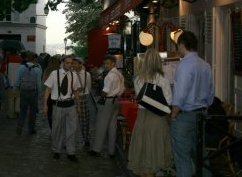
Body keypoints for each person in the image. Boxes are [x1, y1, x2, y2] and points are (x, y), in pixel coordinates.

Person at [170, 31, 214, 177]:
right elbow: (210, 94)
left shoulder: (184, 65)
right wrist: (205, 106)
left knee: (182, 158)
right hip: (201, 114)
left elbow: (180, 93)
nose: (178, 49)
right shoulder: (205, 65)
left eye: (178, 46)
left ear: (182, 45)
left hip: (185, 116)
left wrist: (174, 114)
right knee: (201, 156)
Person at [127, 48, 172, 177]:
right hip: (157, 119)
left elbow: (139, 100)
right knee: (153, 157)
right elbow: (169, 100)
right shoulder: (162, 79)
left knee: (142, 157)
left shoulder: (138, 79)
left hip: (142, 118)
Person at [43, 55, 81, 163]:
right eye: (67, 63)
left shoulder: (74, 75)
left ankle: (71, 152)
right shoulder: (54, 74)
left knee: (72, 130)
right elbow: (47, 89)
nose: (70, 65)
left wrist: (78, 105)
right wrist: (45, 104)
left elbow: (76, 91)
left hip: (71, 105)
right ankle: (56, 151)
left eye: (71, 63)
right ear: (63, 63)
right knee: (57, 129)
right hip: (58, 105)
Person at [89, 55, 124, 158]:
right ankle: (111, 151)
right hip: (117, 100)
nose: (106, 65)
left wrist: (101, 98)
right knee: (112, 126)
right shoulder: (119, 74)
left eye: (108, 63)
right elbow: (123, 89)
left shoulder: (110, 75)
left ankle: (96, 150)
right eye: (105, 63)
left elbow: (105, 91)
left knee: (101, 125)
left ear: (113, 63)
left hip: (108, 101)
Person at [13, 52, 42, 135]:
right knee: (33, 111)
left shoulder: (21, 67)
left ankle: (20, 125)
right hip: (33, 92)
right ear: (34, 59)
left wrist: (15, 88)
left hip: (24, 91)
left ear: (26, 58)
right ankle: (31, 128)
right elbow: (38, 83)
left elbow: (17, 79)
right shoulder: (37, 69)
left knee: (23, 110)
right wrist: (39, 93)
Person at [72, 56, 92, 147]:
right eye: (73, 63)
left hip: (83, 98)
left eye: (75, 63)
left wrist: (83, 93)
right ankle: (70, 140)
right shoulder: (71, 74)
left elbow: (88, 87)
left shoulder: (87, 75)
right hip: (72, 99)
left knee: (85, 120)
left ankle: (86, 139)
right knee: (71, 121)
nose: (73, 65)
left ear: (81, 64)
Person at [0, 50, 22, 119]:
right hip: (18, 83)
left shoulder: (6, 60)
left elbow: (2, 71)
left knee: (10, 99)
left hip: (10, 83)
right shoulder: (20, 60)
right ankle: (17, 109)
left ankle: (10, 114)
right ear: (17, 52)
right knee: (18, 97)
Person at [42, 55, 61, 129]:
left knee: (50, 113)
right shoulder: (59, 71)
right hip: (57, 95)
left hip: (49, 94)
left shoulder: (46, 70)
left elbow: (44, 83)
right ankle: (57, 127)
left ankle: (52, 128)